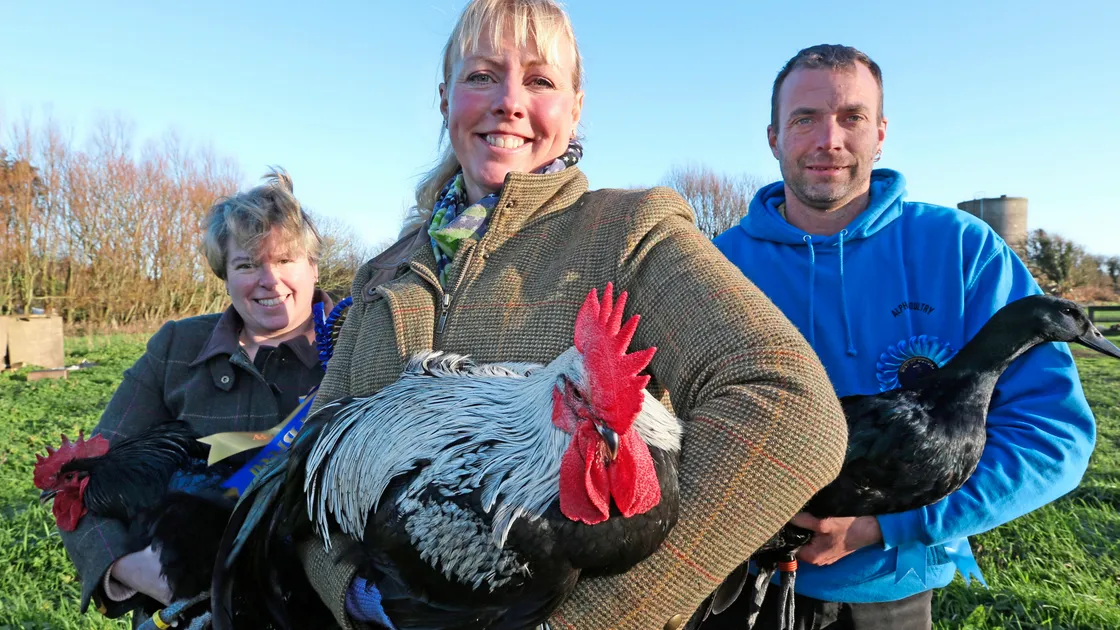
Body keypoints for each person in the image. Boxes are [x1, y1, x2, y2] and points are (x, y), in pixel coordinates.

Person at [296, 1, 848, 628]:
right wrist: (357, 600)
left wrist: (581, 618)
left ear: (576, 106)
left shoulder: (630, 231)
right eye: (481, 76)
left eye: (540, 80)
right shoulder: (385, 272)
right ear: (445, 96)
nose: (508, 101)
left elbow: (792, 410)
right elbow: (310, 475)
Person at [706, 44, 1096, 630]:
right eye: (804, 118)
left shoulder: (962, 251)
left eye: (852, 117)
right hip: (730, 583)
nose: (828, 139)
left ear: (881, 133)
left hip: (889, 588)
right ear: (773, 137)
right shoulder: (713, 267)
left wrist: (888, 527)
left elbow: (1053, 434)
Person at [57, 168, 332, 624]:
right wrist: (124, 566)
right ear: (224, 274)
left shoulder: (358, 344)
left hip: (322, 605)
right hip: (187, 611)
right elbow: (84, 478)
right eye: (246, 264)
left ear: (313, 265)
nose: (269, 279)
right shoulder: (176, 347)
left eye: (285, 260)